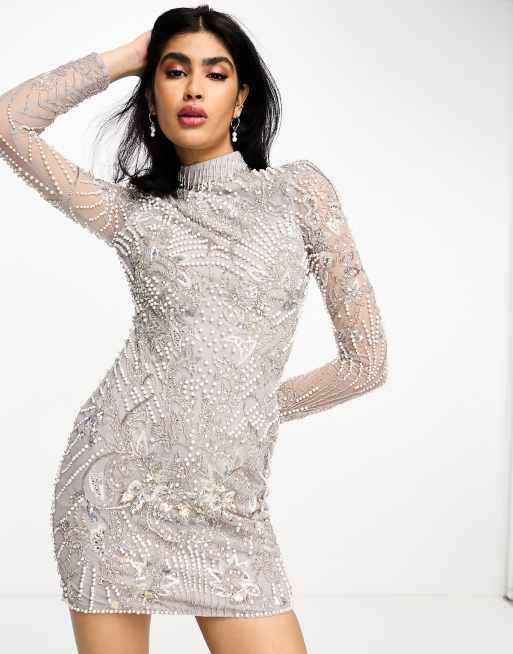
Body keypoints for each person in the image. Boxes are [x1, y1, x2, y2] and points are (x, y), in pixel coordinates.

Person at [0, 5, 388, 654]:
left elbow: (365, 362)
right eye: (175, 72)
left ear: (242, 96)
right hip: (114, 492)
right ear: (152, 93)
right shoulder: (131, 213)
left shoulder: (300, 194)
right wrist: (125, 58)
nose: (193, 89)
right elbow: (9, 122)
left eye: (215, 73)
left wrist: (252, 406)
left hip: (230, 505)